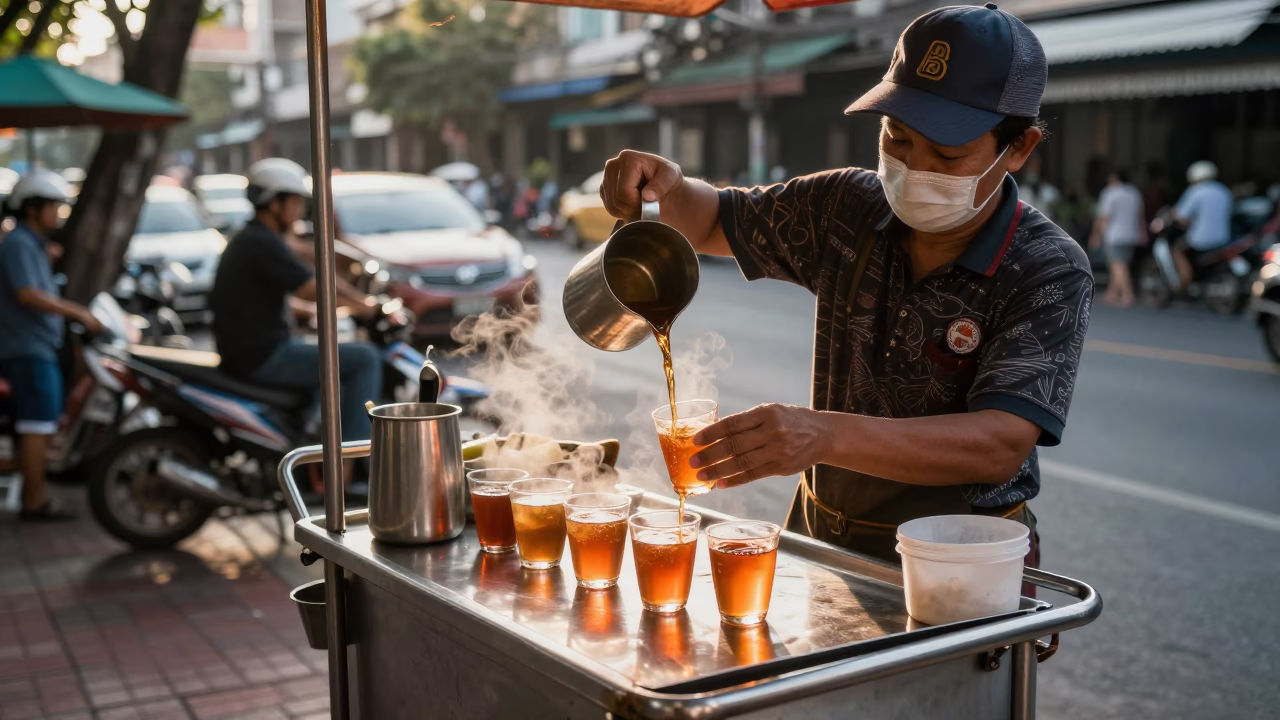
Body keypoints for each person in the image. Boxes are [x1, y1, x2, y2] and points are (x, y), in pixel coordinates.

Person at [600, 4, 1093, 574]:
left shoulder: (1048, 267)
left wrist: (822, 435)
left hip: (960, 558)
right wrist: (668, 185)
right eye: (898, 138)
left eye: (948, 155)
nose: (913, 166)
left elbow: (999, 444)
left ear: (1020, 147)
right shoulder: (847, 207)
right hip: (820, 536)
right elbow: (711, 222)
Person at [209, 158, 382, 484]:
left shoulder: (255, 238)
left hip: (251, 348)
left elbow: (270, 296)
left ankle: (312, 445)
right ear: (274, 203)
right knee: (365, 358)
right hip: (261, 354)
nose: (300, 210)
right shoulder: (261, 242)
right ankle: (348, 468)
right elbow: (312, 285)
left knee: (332, 363)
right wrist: (366, 306)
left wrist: (312, 311)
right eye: (294, 202)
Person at [0, 170, 103, 521]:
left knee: (40, 423)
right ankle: (34, 501)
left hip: (38, 344)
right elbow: (27, 294)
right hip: (27, 347)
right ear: (33, 208)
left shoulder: (32, 245)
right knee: (36, 425)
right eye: (53, 207)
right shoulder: (19, 244)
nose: (58, 214)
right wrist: (78, 312)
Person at [1173, 160, 1232, 287]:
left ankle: (1184, 280)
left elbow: (1182, 216)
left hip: (1200, 239)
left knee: (1177, 250)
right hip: (1223, 238)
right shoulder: (1223, 191)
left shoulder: (1195, 191)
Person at [1090, 169, 1144, 307]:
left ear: (1114, 178)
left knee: (1117, 265)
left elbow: (1103, 217)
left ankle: (1127, 294)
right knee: (1122, 264)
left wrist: (1096, 235)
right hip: (1131, 234)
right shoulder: (1134, 192)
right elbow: (1140, 215)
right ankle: (1112, 293)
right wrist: (1142, 232)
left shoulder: (1110, 192)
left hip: (1114, 234)